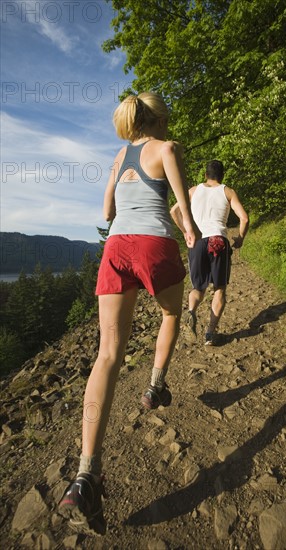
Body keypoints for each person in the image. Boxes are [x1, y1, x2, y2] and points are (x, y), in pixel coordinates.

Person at [58, 92, 200, 535]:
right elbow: (182, 208)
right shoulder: (169, 148)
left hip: (116, 247)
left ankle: (85, 474)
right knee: (171, 315)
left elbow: (106, 211)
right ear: (159, 120)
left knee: (107, 355)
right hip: (155, 244)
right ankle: (156, 385)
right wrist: (191, 234)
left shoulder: (119, 156)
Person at [170, 160, 249, 345]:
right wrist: (240, 238)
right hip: (218, 241)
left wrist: (185, 231)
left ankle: (191, 312)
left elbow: (174, 211)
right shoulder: (227, 191)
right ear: (222, 176)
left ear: (205, 175)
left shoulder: (193, 191)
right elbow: (244, 218)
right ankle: (210, 334)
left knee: (198, 288)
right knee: (219, 288)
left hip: (197, 242)